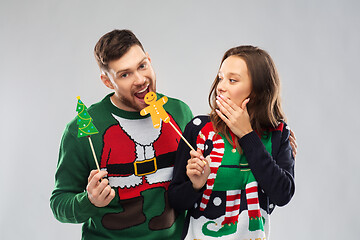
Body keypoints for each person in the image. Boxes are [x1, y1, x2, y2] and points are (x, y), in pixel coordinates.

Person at [50, 29, 193, 240]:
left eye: (142, 66)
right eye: (125, 74)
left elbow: (190, 188)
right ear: (107, 82)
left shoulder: (179, 112)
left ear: (150, 61)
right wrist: (89, 202)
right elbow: (59, 204)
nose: (140, 80)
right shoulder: (81, 129)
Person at [168, 45, 295, 239]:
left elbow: (282, 194)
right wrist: (195, 185)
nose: (221, 86)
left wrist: (247, 135)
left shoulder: (278, 134)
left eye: (232, 80)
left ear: (259, 90)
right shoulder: (198, 128)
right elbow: (175, 201)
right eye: (220, 78)